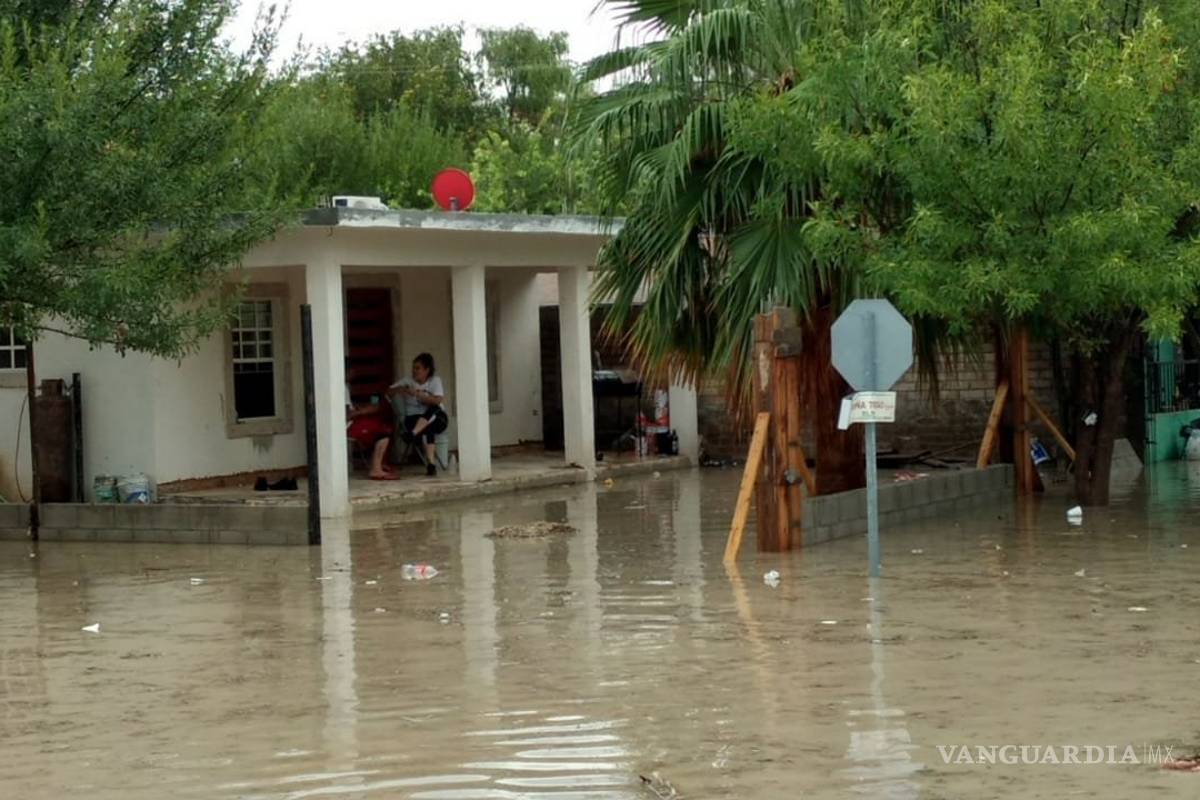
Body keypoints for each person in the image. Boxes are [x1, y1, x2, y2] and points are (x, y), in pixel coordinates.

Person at [388, 352, 448, 476]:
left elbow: (437, 400)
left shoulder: (435, 381)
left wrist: (417, 394)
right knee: (427, 428)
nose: (414, 371)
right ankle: (431, 464)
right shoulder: (407, 381)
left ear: (427, 370)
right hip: (413, 420)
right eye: (413, 368)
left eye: (418, 368)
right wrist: (403, 389)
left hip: (437, 418)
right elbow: (388, 392)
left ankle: (412, 434)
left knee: (434, 408)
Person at [346, 367, 397, 480]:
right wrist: (358, 412)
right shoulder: (342, 388)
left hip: (354, 422)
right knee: (384, 431)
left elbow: (373, 405)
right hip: (349, 426)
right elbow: (373, 407)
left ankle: (380, 464)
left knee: (381, 428)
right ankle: (376, 469)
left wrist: (359, 410)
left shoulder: (376, 393)